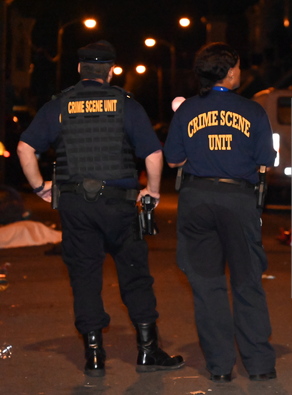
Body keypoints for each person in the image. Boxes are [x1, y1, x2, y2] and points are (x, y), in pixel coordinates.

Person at [17, 40, 184, 377]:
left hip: (76, 204)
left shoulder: (59, 105)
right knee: (135, 275)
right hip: (120, 204)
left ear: (79, 69)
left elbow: (24, 147)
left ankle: (94, 355)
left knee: (84, 277)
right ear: (110, 71)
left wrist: (39, 187)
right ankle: (147, 351)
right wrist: (151, 191)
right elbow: (153, 154)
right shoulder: (126, 105)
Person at [163, 42, 277, 383]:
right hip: (238, 199)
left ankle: (220, 367)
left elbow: (173, 159)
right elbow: (264, 160)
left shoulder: (187, 111)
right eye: (238, 67)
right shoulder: (253, 111)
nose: (240, 72)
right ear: (229, 72)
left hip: (197, 198)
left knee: (208, 285)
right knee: (247, 283)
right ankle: (259, 365)